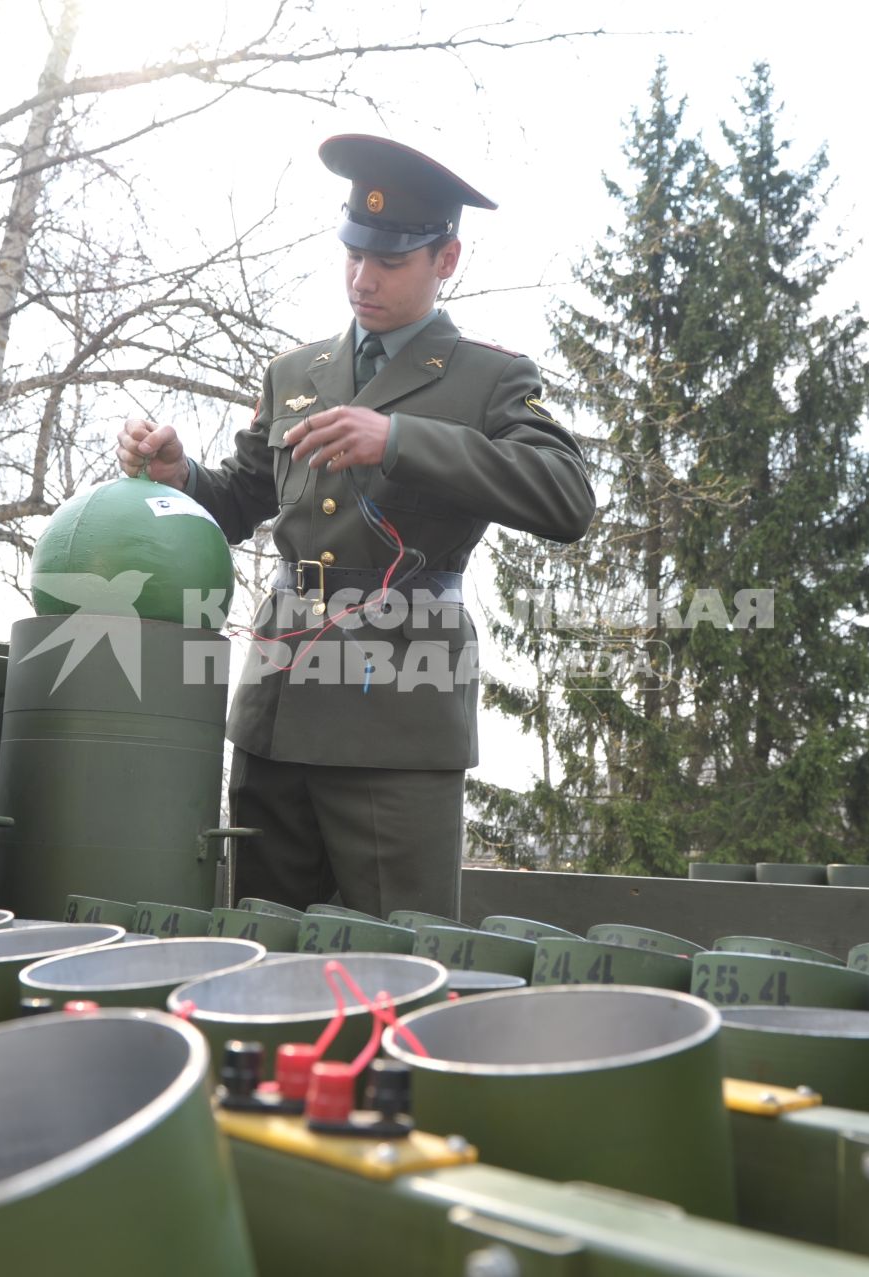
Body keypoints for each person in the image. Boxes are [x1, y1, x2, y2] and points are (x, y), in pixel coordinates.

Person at [115, 134, 593, 919]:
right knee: (264, 949)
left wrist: (401, 440)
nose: (363, 278)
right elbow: (244, 499)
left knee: (393, 958)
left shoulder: (490, 377)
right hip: (279, 705)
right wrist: (181, 476)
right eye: (353, 253)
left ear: (447, 259)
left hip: (397, 716)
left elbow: (567, 497)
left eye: (392, 261)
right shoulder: (295, 374)